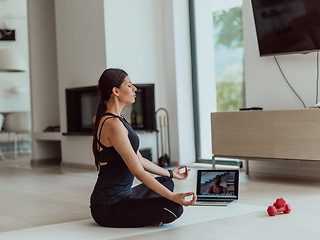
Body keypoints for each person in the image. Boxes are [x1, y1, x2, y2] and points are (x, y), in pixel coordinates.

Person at [90, 68, 196, 228]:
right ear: (116, 91)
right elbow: (137, 171)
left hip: (126, 196)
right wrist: (173, 197)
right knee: (174, 209)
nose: (135, 89)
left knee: (166, 181)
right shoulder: (112, 124)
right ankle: (147, 214)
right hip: (108, 206)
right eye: (130, 85)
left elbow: (139, 159)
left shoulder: (119, 120)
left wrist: (171, 173)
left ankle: (145, 213)